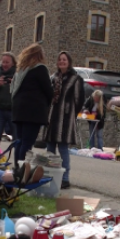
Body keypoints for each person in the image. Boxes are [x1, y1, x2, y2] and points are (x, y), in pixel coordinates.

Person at [44, 51, 85, 189]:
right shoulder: (53, 77)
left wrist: (70, 112)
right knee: (50, 148)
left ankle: (65, 178)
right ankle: (50, 174)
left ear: (69, 62)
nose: (62, 62)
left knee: (63, 149)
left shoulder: (75, 79)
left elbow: (79, 99)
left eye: (64, 59)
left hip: (65, 119)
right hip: (52, 117)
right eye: (60, 59)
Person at [11, 43, 53, 168]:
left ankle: (17, 168)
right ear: (39, 55)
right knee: (27, 143)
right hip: (32, 112)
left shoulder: (20, 71)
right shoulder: (40, 68)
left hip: (18, 110)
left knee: (19, 141)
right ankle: (22, 170)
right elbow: (48, 90)